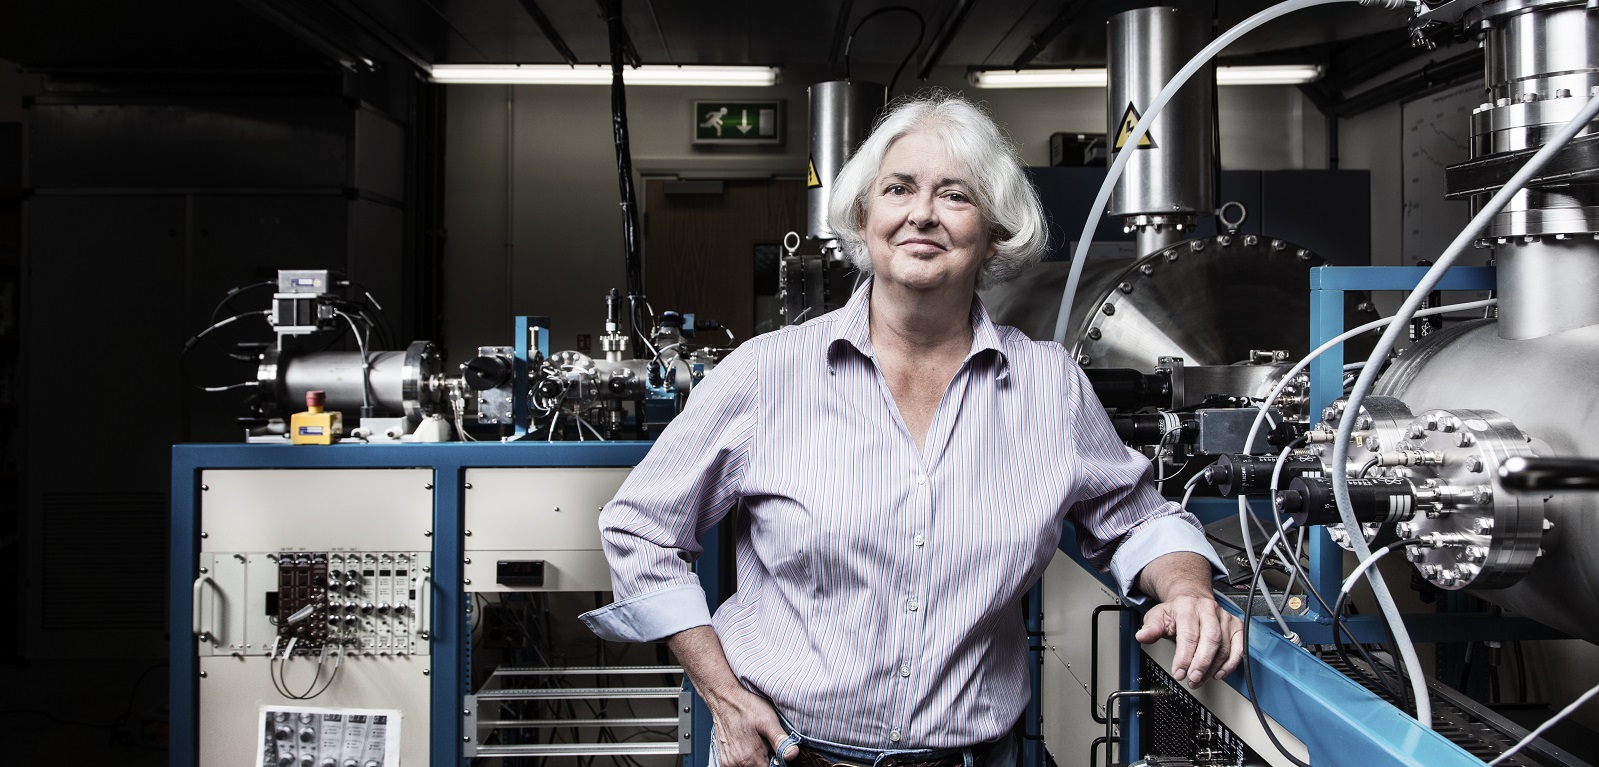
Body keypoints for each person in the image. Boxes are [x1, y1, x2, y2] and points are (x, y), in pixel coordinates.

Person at [581, 92, 1244, 767]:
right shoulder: (767, 372)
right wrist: (718, 690)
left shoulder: (1049, 386)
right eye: (898, 189)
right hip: (790, 755)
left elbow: (1137, 520)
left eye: (954, 195)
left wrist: (1187, 586)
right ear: (864, 217)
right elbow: (641, 528)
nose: (922, 212)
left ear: (993, 233)